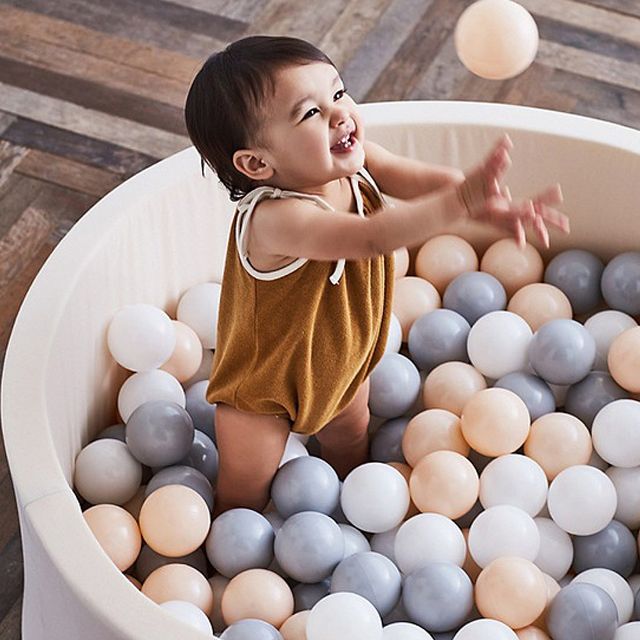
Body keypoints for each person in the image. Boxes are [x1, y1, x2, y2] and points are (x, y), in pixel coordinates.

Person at [184, 35, 569, 515]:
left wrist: (485, 205)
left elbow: (428, 179)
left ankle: (357, 518)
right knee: (244, 493)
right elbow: (372, 238)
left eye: (339, 93)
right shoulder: (275, 220)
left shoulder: (355, 164)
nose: (340, 115)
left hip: (340, 360)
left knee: (351, 440)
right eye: (311, 113)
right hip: (264, 388)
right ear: (258, 163)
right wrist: (459, 204)